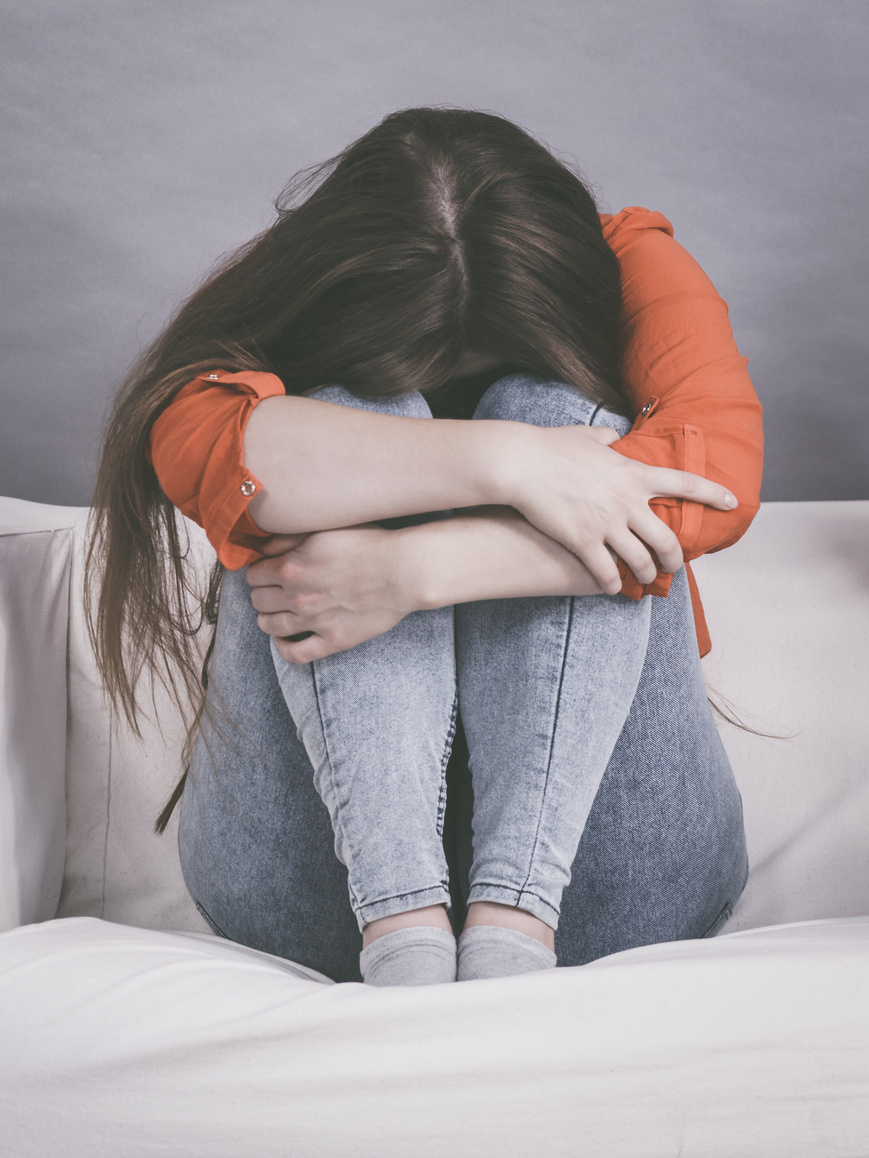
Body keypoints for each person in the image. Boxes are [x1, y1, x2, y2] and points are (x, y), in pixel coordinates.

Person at [87, 107, 763, 986]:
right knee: (354, 425)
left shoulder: (627, 258)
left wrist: (411, 572)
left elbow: (716, 477)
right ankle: (400, 924)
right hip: (316, 892)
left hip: (608, 881)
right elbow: (194, 440)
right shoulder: (316, 277)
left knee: (559, 415)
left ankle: (511, 920)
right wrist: (508, 462)